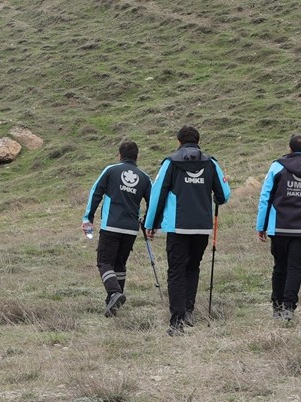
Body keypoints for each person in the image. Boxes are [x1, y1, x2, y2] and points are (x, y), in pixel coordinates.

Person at [144, 126, 230, 335]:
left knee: (176, 271)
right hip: (202, 227)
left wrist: (151, 224)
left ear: (178, 141)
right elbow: (224, 195)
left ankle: (177, 321)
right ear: (198, 141)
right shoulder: (211, 163)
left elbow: (158, 194)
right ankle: (188, 312)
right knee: (193, 267)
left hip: (177, 226)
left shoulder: (171, 163)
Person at [256, 135, 301, 323]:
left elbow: (265, 198)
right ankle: (289, 308)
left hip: (279, 227)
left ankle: (277, 307)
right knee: (295, 268)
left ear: (289, 149)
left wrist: (261, 226)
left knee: (279, 267)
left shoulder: (277, 167)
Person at [83, 140, 152, 317]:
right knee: (120, 264)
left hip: (111, 226)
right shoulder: (144, 177)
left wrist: (88, 218)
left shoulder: (111, 170)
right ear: (137, 157)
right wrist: (148, 223)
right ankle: (112, 305)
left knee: (104, 262)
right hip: (131, 229)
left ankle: (114, 293)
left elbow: (96, 192)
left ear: (119, 155)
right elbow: (153, 203)